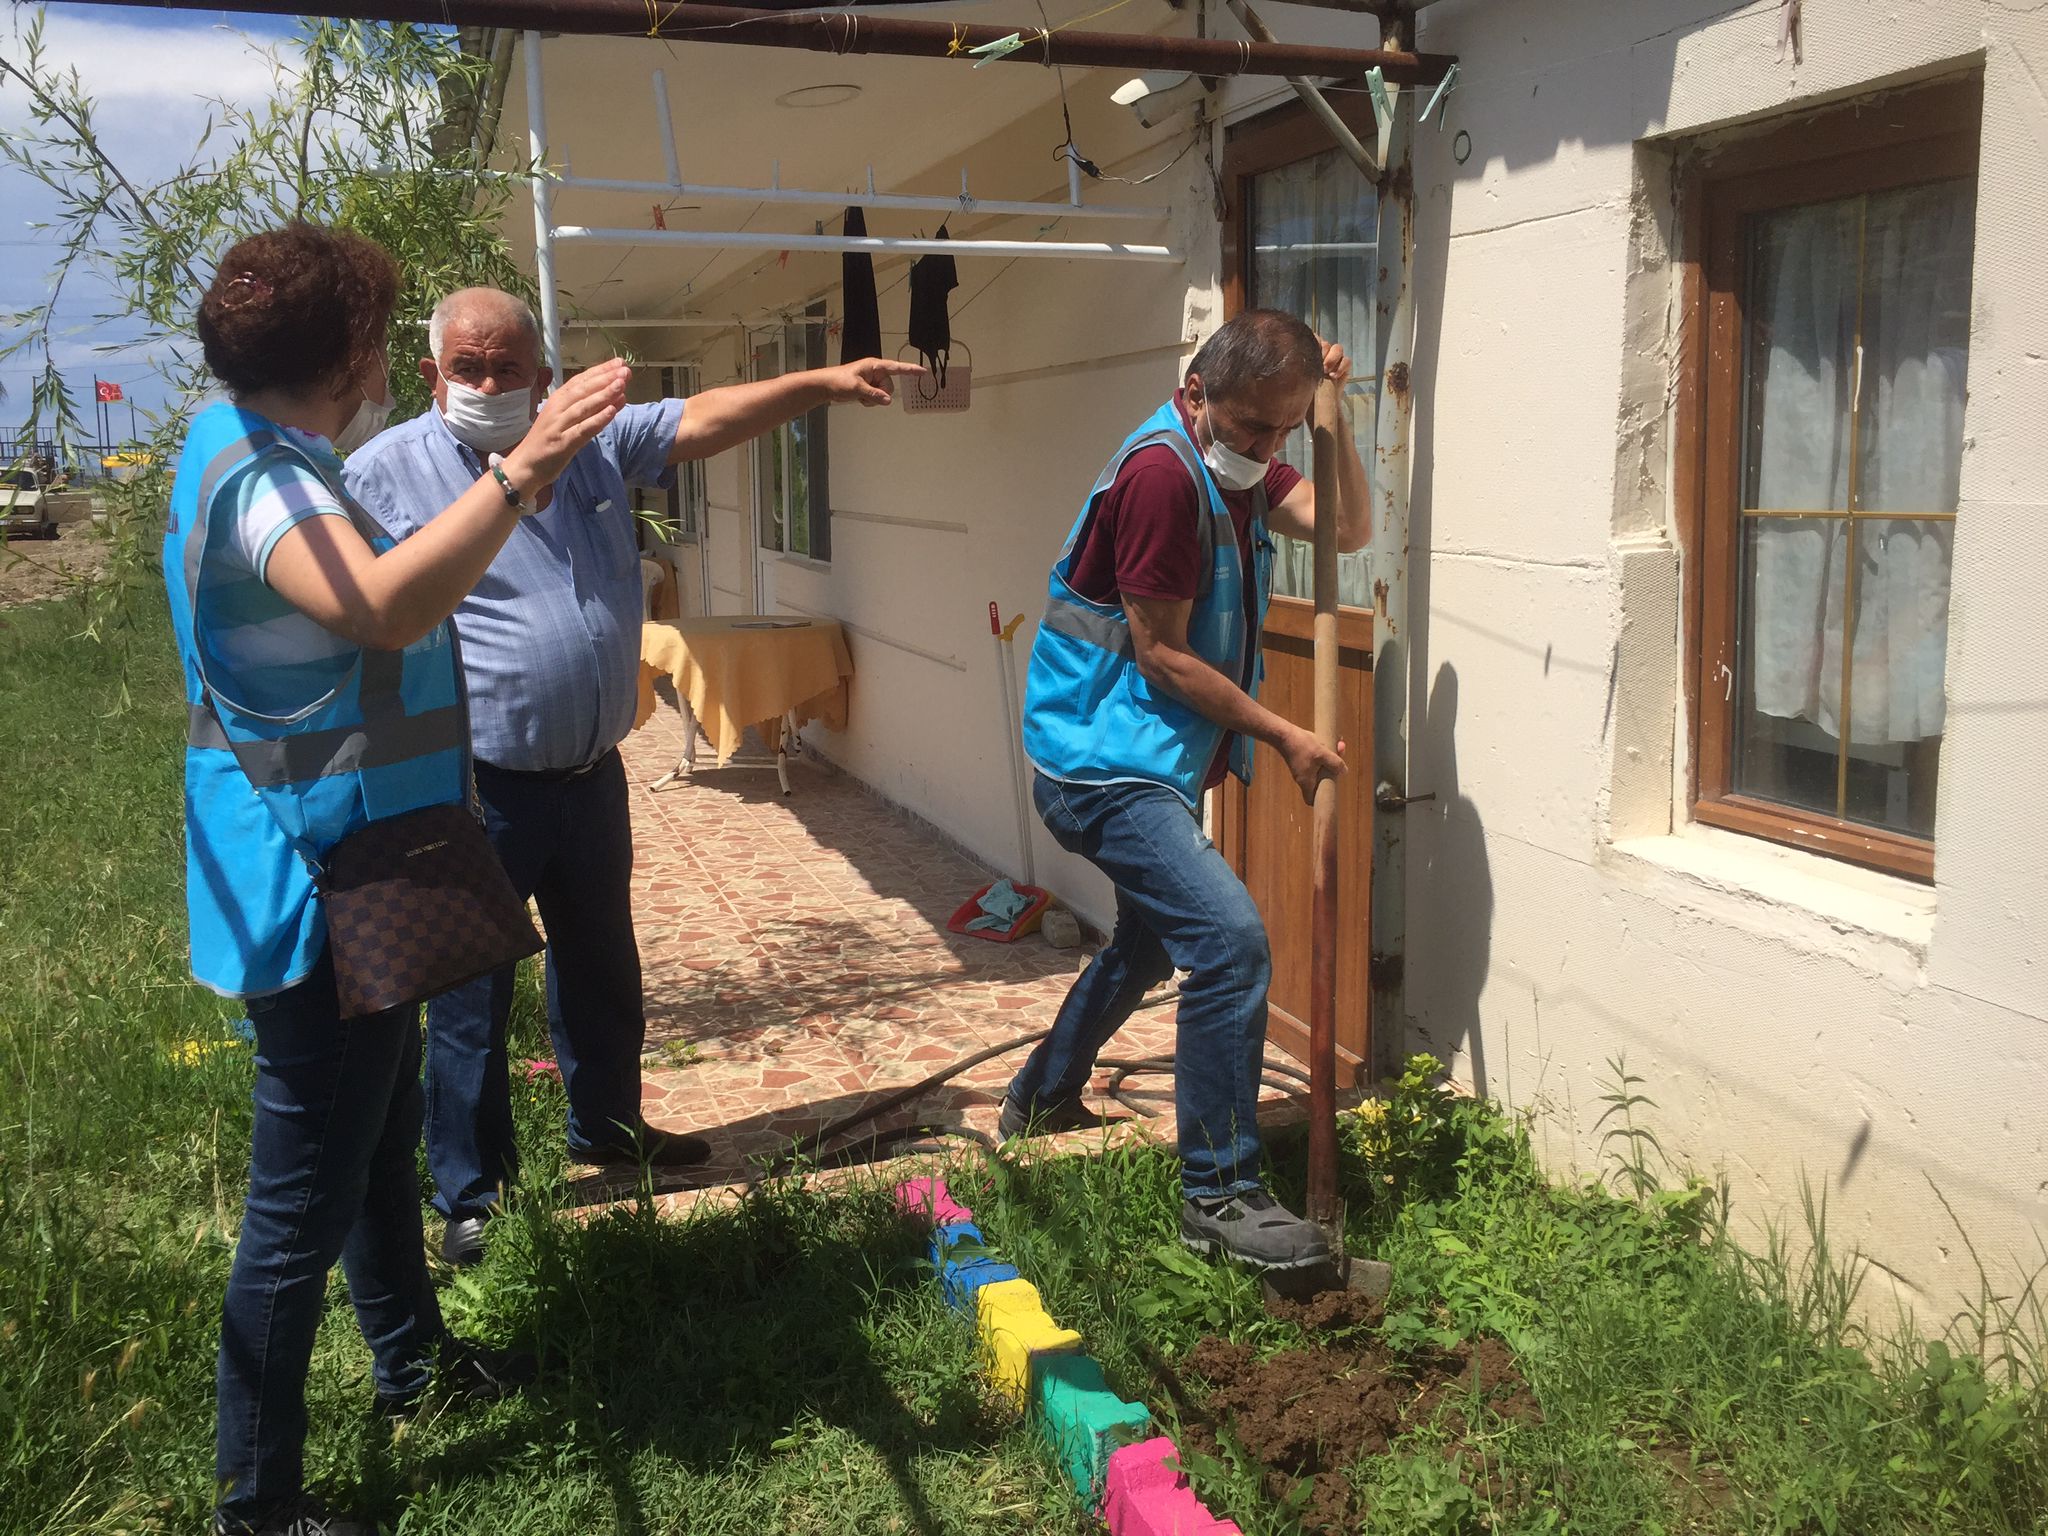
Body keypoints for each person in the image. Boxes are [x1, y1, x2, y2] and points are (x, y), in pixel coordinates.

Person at [167, 227, 630, 1536]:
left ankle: (412, 1365)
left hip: (360, 860)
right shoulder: (267, 484)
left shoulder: (249, 449)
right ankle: (257, 1507)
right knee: (295, 1215)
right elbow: (377, 607)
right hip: (315, 880)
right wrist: (525, 473)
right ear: (358, 356)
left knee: (372, 1153)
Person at [344, 289, 920, 1266]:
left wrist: (820, 381)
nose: (489, 386)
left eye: (508, 367)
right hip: (475, 785)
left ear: (543, 373)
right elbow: (357, 618)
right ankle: (471, 1190)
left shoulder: (591, 440)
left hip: (589, 775)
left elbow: (707, 416)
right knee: (471, 996)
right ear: (433, 374)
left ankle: (606, 1126)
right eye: (469, 369)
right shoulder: (383, 472)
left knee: (602, 967)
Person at [1008, 308, 1370, 1273]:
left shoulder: (1239, 460)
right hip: (1095, 760)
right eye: (1257, 426)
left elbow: (1351, 528)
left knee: (1148, 941)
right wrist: (1287, 735)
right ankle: (1218, 1191)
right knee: (1229, 942)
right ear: (1200, 391)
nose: (1269, 447)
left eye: (1285, 429)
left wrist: (1335, 413)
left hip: (1141, 755)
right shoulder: (1169, 474)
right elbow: (1163, 657)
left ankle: (1040, 1097)